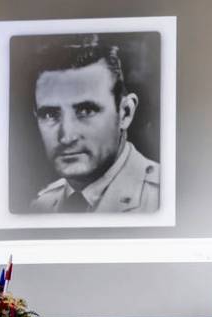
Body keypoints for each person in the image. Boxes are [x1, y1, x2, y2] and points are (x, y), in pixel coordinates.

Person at [29, 35, 159, 213]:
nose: (66, 136)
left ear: (125, 113)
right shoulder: (41, 206)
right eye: (50, 114)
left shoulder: (163, 200)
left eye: (86, 111)